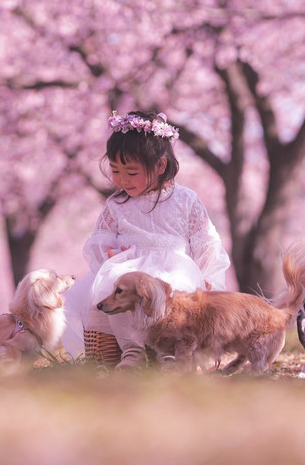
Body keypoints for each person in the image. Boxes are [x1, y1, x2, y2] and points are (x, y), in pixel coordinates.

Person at [62, 110, 231, 368]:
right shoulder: (117, 204)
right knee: (112, 288)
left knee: (177, 295)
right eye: (116, 171)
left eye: (131, 173)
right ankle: (131, 349)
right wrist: (110, 256)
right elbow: (100, 240)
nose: (122, 180)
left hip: (174, 270)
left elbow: (205, 242)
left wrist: (205, 275)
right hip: (127, 267)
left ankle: (174, 351)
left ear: (160, 165)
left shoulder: (185, 200)